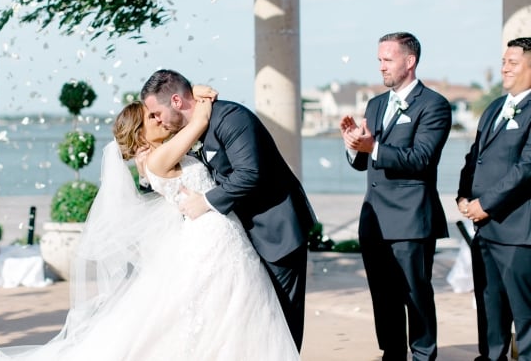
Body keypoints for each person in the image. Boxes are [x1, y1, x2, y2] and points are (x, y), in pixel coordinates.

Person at [0, 98, 299, 360]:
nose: (159, 118)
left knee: (232, 313)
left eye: (156, 114)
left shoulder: (159, 155)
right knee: (223, 310)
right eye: (151, 117)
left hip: (219, 233)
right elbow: (201, 119)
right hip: (210, 235)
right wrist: (201, 95)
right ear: (140, 133)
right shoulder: (158, 158)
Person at [140, 69, 317, 351]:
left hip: (275, 231)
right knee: (258, 321)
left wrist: (206, 201)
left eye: (156, 112)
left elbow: (250, 173)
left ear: (175, 100)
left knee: (282, 321)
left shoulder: (231, 117)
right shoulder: (196, 126)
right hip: (241, 238)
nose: (157, 120)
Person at [339, 32, 451, 361]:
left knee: (415, 293)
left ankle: (422, 355)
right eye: (379, 61)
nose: (381, 67)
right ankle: (392, 354)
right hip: (374, 218)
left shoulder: (434, 105)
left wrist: (373, 147)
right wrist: (354, 146)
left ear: (410, 61)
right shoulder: (375, 104)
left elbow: (422, 158)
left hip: (411, 219)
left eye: (387, 60)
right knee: (382, 296)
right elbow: (365, 162)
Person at [457, 36, 531, 361]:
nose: (504, 68)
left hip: (518, 234)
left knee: (525, 317)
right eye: (503, 61)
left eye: (512, 62)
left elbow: (526, 168)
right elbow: (475, 157)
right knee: (490, 316)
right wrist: (463, 194)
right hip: (485, 232)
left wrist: (485, 204)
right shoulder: (494, 108)